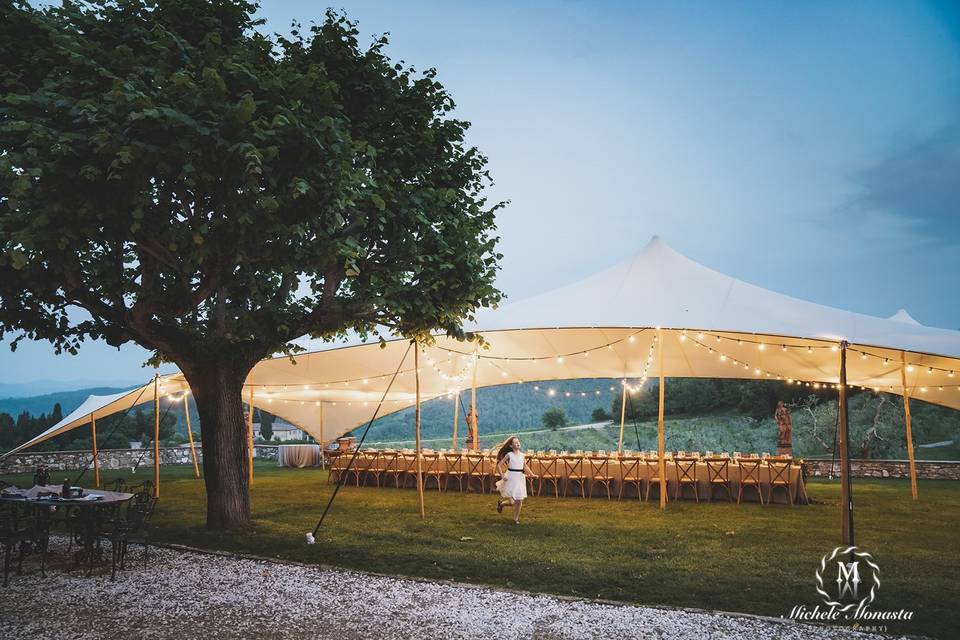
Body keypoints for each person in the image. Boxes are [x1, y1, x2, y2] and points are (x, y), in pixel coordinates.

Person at [495, 436, 527, 524]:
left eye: (518, 442)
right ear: (511, 446)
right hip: (510, 478)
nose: (518, 443)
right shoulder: (509, 455)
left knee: (519, 500)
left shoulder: (522, 455)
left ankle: (515, 519)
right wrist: (502, 476)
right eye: (515, 442)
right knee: (512, 502)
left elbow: (525, 466)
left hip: (519, 478)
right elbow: (498, 465)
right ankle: (501, 504)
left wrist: (532, 474)